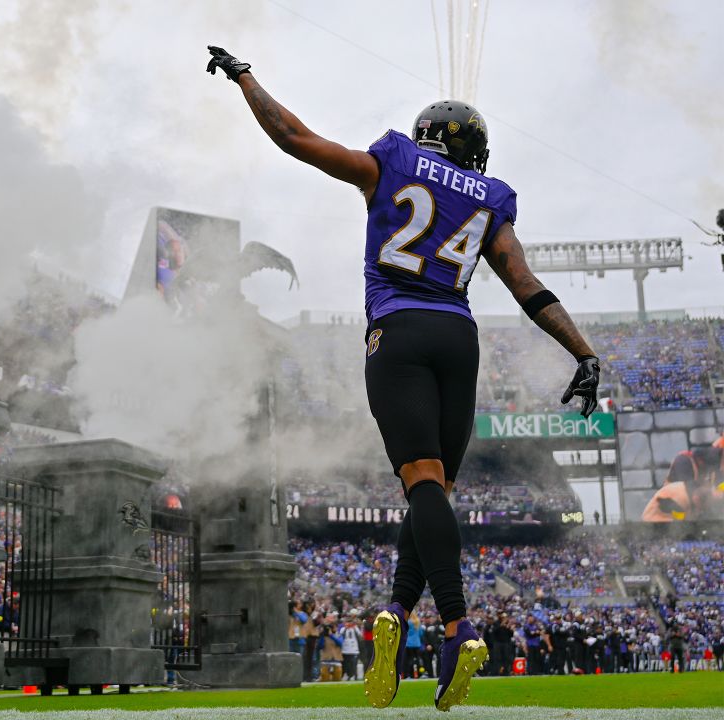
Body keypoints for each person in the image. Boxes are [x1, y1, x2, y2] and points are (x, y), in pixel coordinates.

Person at [206, 45, 599, 711]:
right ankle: (394, 610)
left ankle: (457, 626)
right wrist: (584, 353)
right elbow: (526, 286)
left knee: (420, 483)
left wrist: (246, 77)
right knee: (436, 492)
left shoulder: (391, 160)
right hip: (460, 336)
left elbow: (294, 137)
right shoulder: (490, 197)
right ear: (472, 148)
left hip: (400, 330)